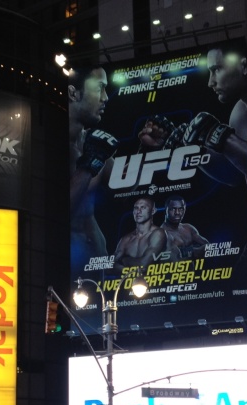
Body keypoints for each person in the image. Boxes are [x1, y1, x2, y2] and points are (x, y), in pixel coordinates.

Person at [69, 66, 117, 273]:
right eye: (100, 88)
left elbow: (127, 189)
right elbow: (56, 215)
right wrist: (88, 167)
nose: (105, 98)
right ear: (73, 93)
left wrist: (149, 147)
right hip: (67, 276)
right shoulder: (47, 148)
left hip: (101, 270)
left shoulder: (93, 143)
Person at [113, 197, 168, 272]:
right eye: (136, 208)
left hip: (154, 281)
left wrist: (123, 259)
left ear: (153, 211)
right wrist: (129, 271)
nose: (138, 211)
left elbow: (143, 264)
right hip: (130, 282)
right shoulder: (125, 239)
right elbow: (112, 265)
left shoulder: (158, 233)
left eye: (143, 207)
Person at [160, 196, 209, 260]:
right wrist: (195, 251)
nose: (177, 213)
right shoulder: (162, 235)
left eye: (181, 209)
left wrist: (185, 252)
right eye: (173, 209)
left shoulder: (188, 228)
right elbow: (175, 260)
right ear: (165, 210)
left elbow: (209, 246)